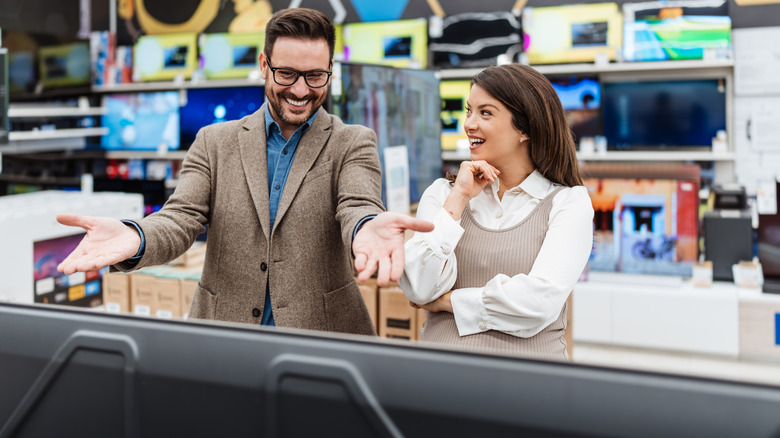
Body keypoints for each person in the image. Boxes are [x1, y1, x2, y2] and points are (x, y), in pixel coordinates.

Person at [56, 8, 433, 336]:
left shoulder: (353, 142)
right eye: (287, 73)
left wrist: (366, 225)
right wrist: (136, 235)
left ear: (330, 72)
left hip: (323, 337)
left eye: (316, 76)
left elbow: (357, 203)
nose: (301, 90)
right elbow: (180, 219)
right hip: (225, 336)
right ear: (263, 65)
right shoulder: (214, 142)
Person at [399, 64, 594, 360]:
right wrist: (460, 197)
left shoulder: (568, 202)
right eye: (469, 111)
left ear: (525, 128)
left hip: (528, 390)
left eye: (485, 113)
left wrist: (450, 302)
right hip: (439, 378)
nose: (469, 124)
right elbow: (419, 287)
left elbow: (538, 302)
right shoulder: (443, 194)